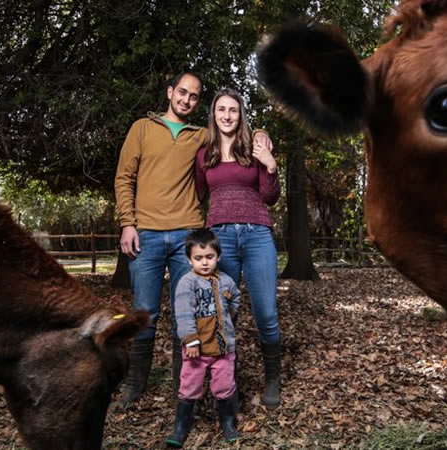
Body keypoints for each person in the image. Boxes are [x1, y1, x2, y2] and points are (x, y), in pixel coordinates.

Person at [114, 72, 272, 408]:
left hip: (188, 233)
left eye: (194, 96)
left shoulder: (201, 136)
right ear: (170, 92)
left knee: (189, 311)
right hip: (147, 233)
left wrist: (261, 132)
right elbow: (124, 177)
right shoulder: (143, 128)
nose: (187, 100)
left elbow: (235, 132)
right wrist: (128, 223)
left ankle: (184, 387)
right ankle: (134, 386)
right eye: (182, 93)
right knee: (145, 311)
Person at [195, 88, 282, 409]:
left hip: (257, 234)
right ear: (214, 114)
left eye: (233, 110)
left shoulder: (255, 147)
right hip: (220, 240)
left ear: (240, 114)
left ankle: (272, 380)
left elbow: (270, 196)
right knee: (225, 314)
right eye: (221, 110)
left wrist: (271, 166)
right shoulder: (205, 154)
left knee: (266, 314)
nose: (227, 115)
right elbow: (198, 194)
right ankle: (225, 384)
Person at [165, 228, 241, 447]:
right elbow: (183, 312)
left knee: (224, 385)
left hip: (223, 349)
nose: (205, 262)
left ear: (218, 256)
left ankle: (227, 423)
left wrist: (230, 313)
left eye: (210, 257)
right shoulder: (187, 283)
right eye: (198, 258)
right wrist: (190, 339)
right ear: (189, 259)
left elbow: (235, 297)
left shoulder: (225, 281)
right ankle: (180, 428)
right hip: (196, 350)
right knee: (189, 385)